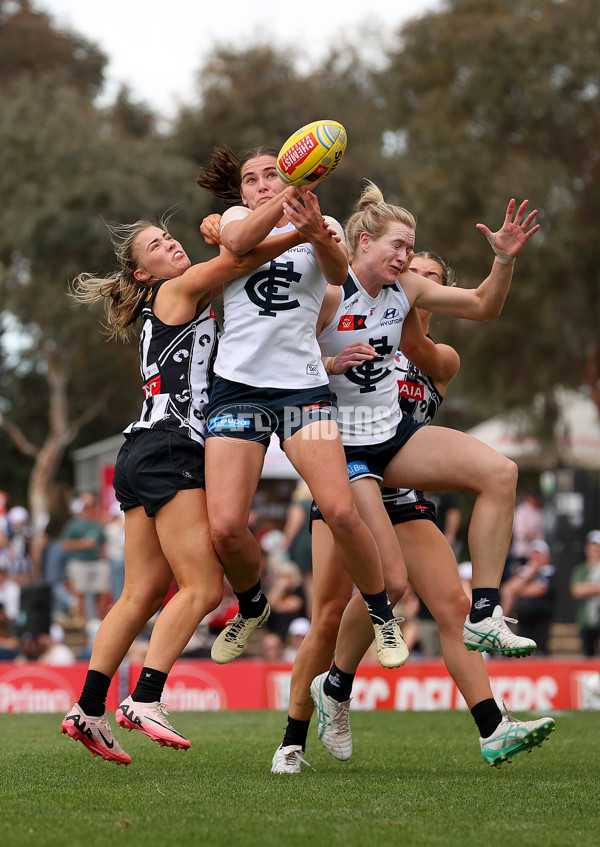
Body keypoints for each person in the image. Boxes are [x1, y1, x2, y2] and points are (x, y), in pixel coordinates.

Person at [272, 187, 555, 773]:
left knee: (500, 472)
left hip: (393, 443)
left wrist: (502, 259)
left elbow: (482, 305)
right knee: (358, 601)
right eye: (401, 247)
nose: (408, 259)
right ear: (365, 242)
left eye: (416, 250)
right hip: (341, 452)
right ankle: (299, 731)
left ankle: (486, 613)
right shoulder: (326, 293)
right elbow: (276, 361)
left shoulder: (411, 309)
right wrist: (326, 364)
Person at [61, 208, 312, 764]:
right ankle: (146, 697)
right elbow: (238, 259)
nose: (169, 245)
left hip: (140, 451)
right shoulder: (175, 290)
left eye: (168, 237)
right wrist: (303, 232)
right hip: (171, 449)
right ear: (145, 274)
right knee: (200, 589)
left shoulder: (174, 302)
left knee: (141, 594)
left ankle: (88, 707)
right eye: (155, 245)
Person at [196, 147, 406, 670]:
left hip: (301, 390)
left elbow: (337, 274)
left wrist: (315, 229)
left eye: (274, 173)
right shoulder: (238, 220)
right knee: (224, 528)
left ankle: (382, 615)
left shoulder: (324, 219)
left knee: (339, 510)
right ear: (241, 193)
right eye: (252, 179)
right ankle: (251, 604)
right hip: (238, 388)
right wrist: (293, 206)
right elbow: (241, 245)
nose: (263, 184)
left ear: (293, 172)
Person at [60, 493, 110, 622]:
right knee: (80, 595)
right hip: (80, 562)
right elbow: (65, 544)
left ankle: (100, 622)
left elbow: (102, 545)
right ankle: (82, 623)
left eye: (91, 505)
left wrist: (106, 561)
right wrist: (83, 544)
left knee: (102, 593)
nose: (89, 508)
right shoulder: (74, 524)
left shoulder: (97, 525)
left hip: (96, 562)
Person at [501, 539, 555, 654]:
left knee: (538, 654)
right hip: (522, 622)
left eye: (538, 555)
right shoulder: (525, 572)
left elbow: (538, 589)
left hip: (540, 622)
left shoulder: (549, 572)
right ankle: (502, 621)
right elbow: (507, 589)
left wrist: (518, 589)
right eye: (533, 555)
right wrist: (529, 573)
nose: (535, 559)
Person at [570, 529, 600, 656]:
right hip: (586, 621)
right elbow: (576, 591)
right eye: (592, 546)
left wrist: (586, 587)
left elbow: (581, 589)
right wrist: (596, 587)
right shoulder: (580, 570)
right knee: (587, 655)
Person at [509, 489, 546, 567]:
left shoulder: (538, 512)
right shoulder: (521, 512)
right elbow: (521, 534)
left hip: (537, 554)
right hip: (524, 554)